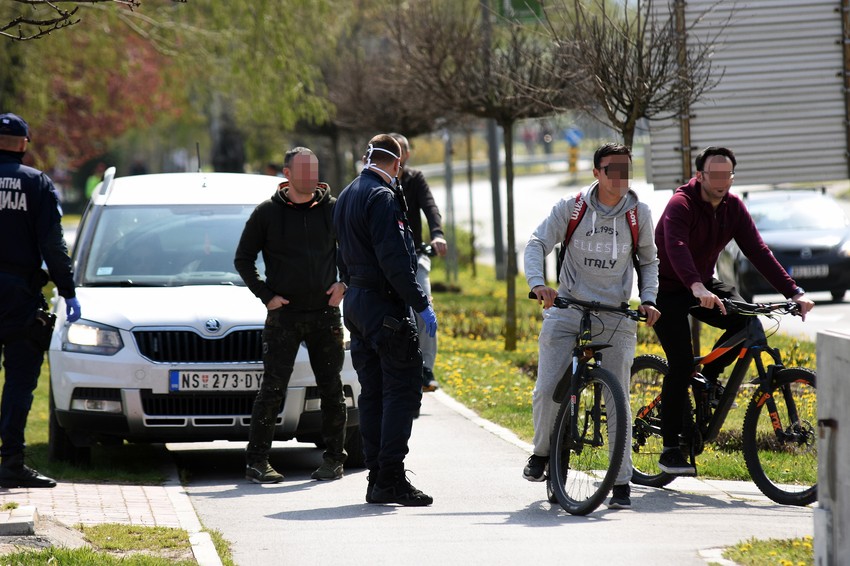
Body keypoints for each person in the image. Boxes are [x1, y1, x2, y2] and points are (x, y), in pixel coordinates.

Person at [653, 146, 815, 476]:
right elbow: (677, 248)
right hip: (666, 289)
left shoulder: (733, 207)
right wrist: (695, 287)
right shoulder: (680, 204)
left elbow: (757, 250)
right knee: (681, 364)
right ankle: (670, 449)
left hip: (704, 284)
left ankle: (708, 380)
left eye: (727, 174)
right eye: (714, 174)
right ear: (700, 175)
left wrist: (793, 291)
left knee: (747, 321)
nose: (721, 180)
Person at [523, 142, 660, 509]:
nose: (620, 177)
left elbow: (649, 261)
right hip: (567, 307)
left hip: (615, 314)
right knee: (547, 387)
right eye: (612, 169)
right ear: (597, 172)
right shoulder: (572, 207)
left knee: (619, 400)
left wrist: (648, 299)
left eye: (626, 169)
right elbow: (537, 243)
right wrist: (538, 284)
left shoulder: (639, 213)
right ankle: (541, 453)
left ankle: (621, 482)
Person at [333, 134, 436, 506]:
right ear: (396, 165)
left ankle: (377, 477)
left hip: (357, 304)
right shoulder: (383, 196)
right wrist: (420, 303)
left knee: (373, 392)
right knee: (402, 389)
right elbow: (394, 260)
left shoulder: (346, 195)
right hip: (383, 304)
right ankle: (390, 477)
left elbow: (341, 253)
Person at [234, 146, 349, 484]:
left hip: (325, 315)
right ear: (287, 174)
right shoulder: (266, 213)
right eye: (302, 170)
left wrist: (346, 284)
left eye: (313, 169)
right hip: (284, 316)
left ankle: (333, 460)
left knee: (331, 388)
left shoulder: (334, 209)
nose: (310, 177)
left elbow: (358, 251)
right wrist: (267, 296)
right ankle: (257, 462)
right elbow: (243, 260)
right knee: (272, 389)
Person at [0, 112, 82, 488]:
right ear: (24, 144)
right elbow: (53, 244)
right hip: (18, 296)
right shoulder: (36, 184)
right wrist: (67, 290)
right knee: (19, 380)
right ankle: (12, 462)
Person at [389, 133, 447, 392]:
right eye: (391, 153)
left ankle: (425, 367)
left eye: (400, 152)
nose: (397, 158)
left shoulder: (415, 179)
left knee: (424, 304)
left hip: (415, 256)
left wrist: (437, 234)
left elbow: (430, 207)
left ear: (407, 155)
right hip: (386, 259)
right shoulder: (377, 183)